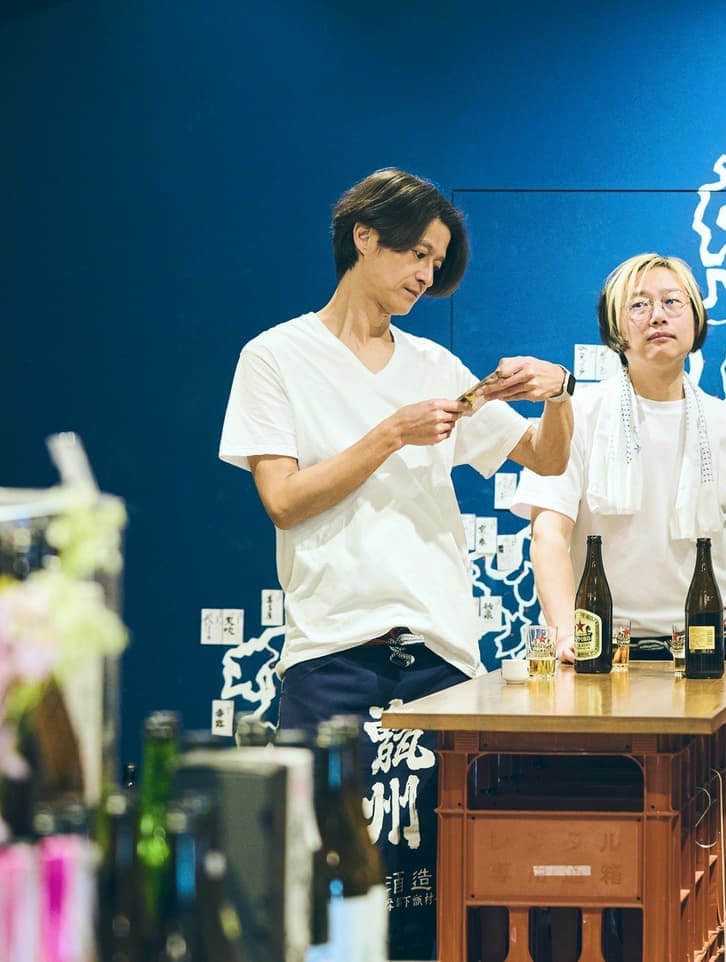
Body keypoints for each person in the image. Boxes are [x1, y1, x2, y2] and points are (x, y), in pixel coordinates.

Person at [218, 168, 575, 958]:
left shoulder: (436, 365)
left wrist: (559, 392)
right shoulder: (275, 357)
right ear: (363, 236)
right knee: (323, 880)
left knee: (447, 885)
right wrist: (390, 434)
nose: (426, 275)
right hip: (330, 652)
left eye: (436, 263)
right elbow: (283, 500)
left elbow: (546, 459)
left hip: (441, 656)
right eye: (417, 254)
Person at [512, 251, 726, 859]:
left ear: (696, 320)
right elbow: (548, 534)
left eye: (672, 302)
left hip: (709, 663)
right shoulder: (577, 416)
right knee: (604, 853)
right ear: (615, 327)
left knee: (713, 855)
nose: (657, 316)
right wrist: (566, 633)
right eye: (638, 305)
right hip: (599, 665)